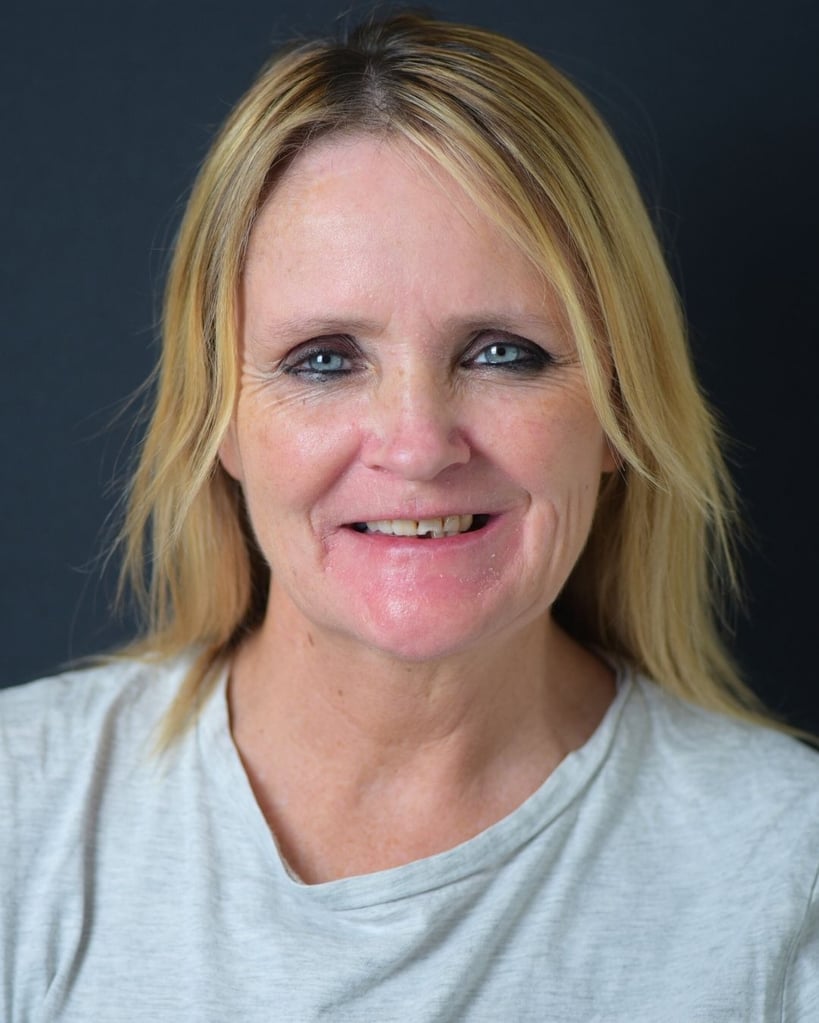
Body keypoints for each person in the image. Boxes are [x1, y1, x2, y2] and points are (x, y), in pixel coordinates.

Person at [2, 12, 817, 1021]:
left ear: (618, 410)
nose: (420, 444)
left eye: (502, 352)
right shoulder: (22, 814)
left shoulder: (790, 874)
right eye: (326, 360)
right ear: (218, 420)